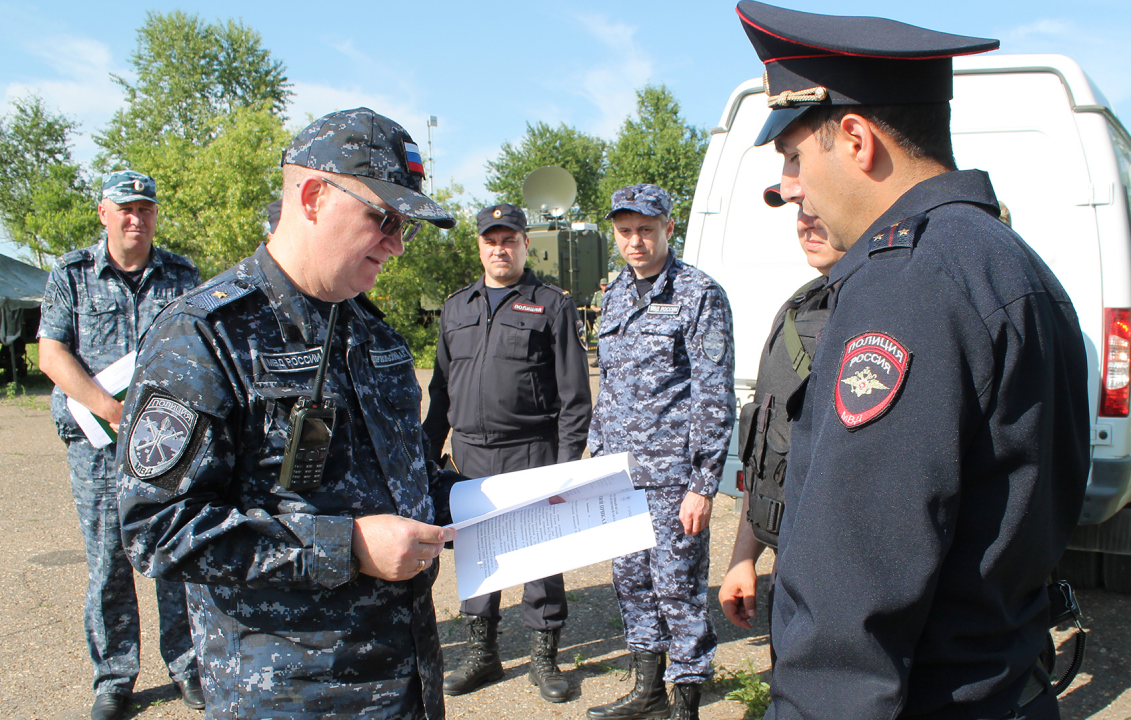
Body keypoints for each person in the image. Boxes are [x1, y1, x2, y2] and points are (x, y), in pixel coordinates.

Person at [736, 3, 1090, 719]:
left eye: (796, 158)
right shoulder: (1010, 261)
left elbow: (851, 607)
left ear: (858, 140)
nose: (791, 186)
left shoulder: (903, 285)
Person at [115, 107, 458, 719]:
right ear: (311, 196)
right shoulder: (205, 335)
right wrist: (345, 544)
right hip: (292, 693)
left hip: (406, 681)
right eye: (384, 218)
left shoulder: (374, 335)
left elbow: (402, 477)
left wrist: (483, 500)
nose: (399, 245)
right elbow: (158, 528)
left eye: (406, 226)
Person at [37, 170, 202, 720]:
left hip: (166, 443)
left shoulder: (182, 275)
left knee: (173, 551)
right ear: (104, 213)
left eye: (146, 209)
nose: (136, 218)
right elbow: (52, 354)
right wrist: (109, 409)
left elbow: (200, 349)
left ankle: (187, 666)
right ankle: (113, 677)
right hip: (98, 445)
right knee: (108, 562)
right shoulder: (71, 274)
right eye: (125, 208)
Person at [423, 203, 592, 703]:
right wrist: (427, 456)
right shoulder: (457, 307)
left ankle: (545, 658)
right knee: (478, 556)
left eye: (509, 239)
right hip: (470, 455)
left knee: (540, 556)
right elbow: (439, 392)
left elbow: (574, 397)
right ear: (479, 246)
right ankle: (483, 655)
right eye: (491, 240)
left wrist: (563, 469)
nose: (500, 248)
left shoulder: (551, 305)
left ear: (524, 243)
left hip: (531, 451)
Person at [587, 184, 735, 720]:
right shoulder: (614, 296)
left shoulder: (698, 294)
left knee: (677, 586)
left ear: (668, 229)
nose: (635, 241)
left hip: (674, 478)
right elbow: (610, 388)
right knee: (630, 580)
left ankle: (687, 700)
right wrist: (595, 461)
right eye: (625, 232)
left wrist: (703, 484)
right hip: (620, 473)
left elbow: (714, 394)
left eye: (646, 230)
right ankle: (647, 689)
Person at [718, 186, 844, 638]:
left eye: (821, 208)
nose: (808, 221)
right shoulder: (797, 307)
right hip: (789, 570)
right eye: (801, 212)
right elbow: (764, 446)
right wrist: (743, 557)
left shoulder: (891, 309)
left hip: (853, 580)